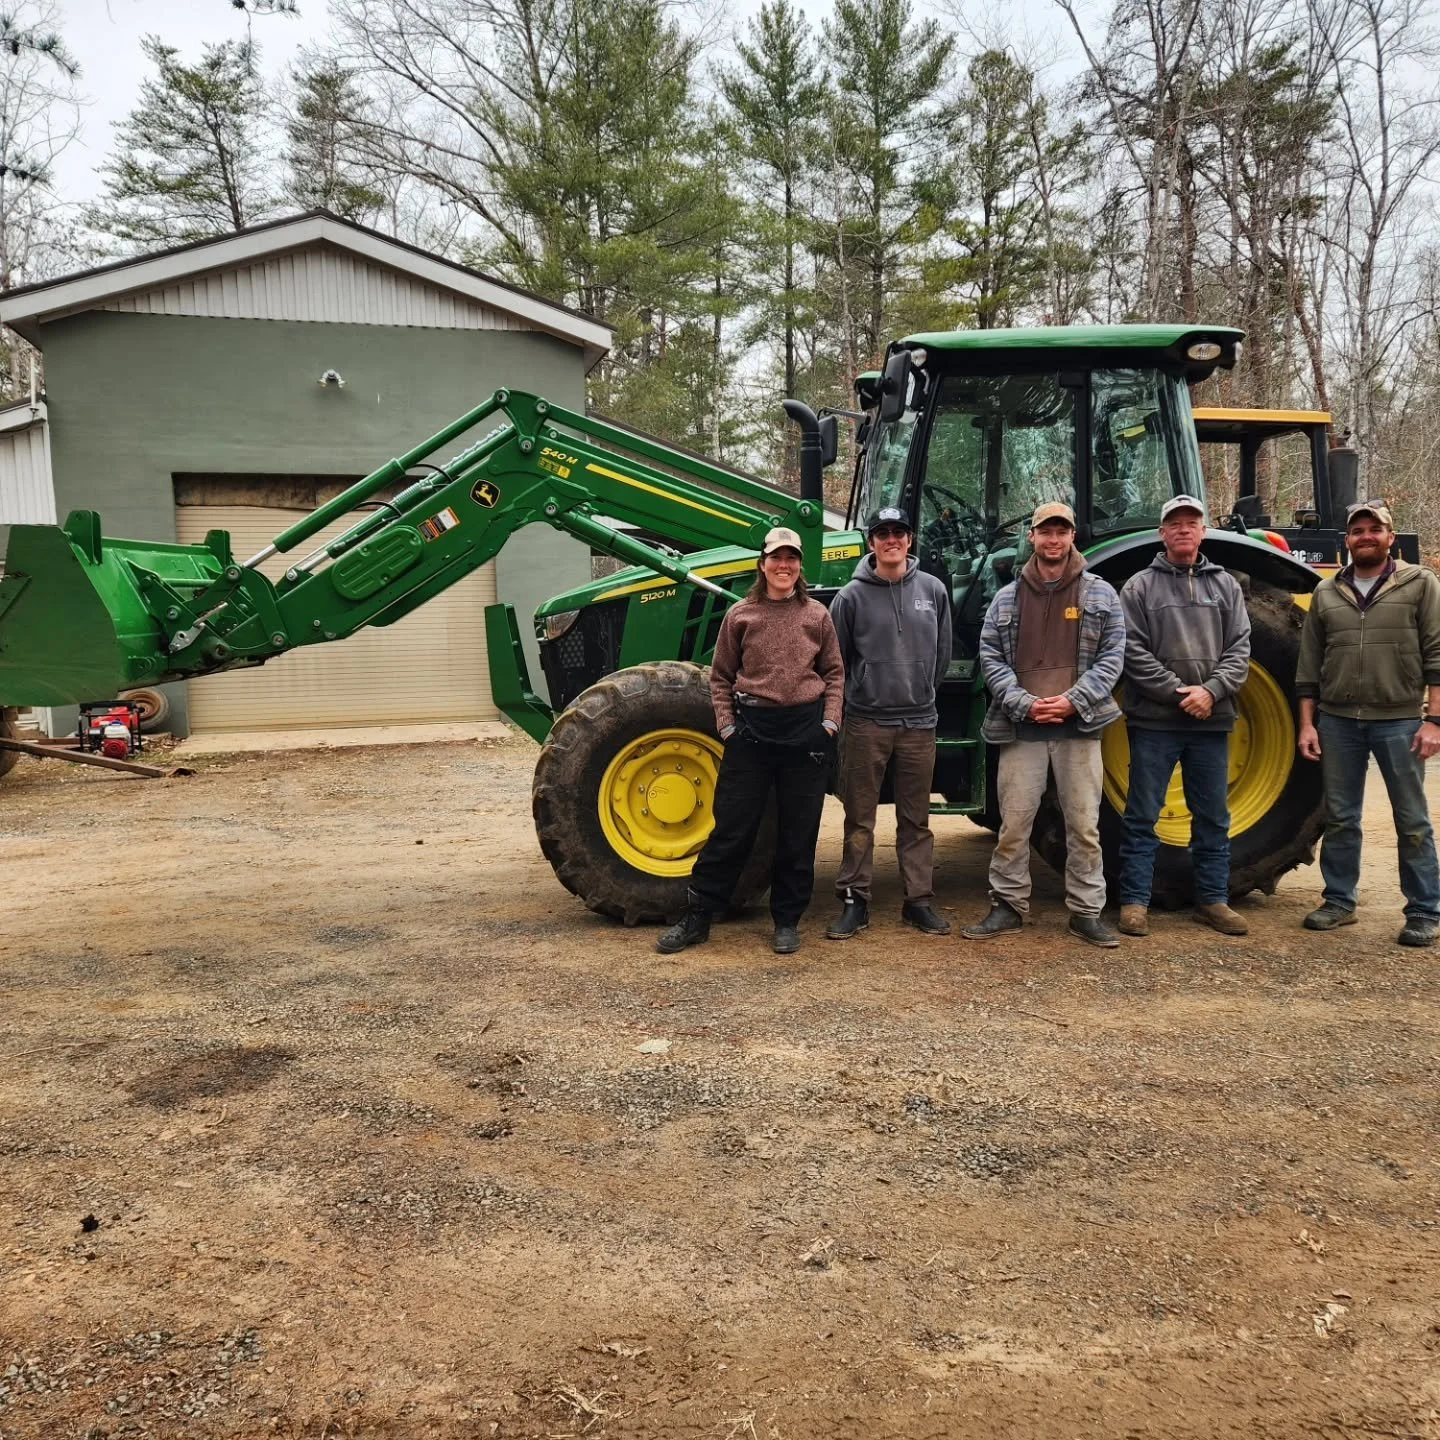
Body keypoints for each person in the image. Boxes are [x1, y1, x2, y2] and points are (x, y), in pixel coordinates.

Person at [657, 527, 844, 956]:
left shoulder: (817, 615)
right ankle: (698, 916)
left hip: (805, 735)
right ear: (762, 564)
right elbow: (721, 677)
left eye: (791, 558)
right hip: (752, 734)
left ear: (800, 566)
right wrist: (728, 728)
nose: (784, 565)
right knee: (732, 830)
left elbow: (834, 674)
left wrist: (829, 724)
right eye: (776, 557)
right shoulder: (740, 615)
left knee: (798, 833)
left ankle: (787, 921)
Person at [961, 502, 1126, 947]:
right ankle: (1008, 905)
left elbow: (1113, 656)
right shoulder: (1006, 598)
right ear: (1032, 537)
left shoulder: (1100, 594)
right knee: (1014, 824)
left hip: (1078, 727)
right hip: (1022, 727)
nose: (1054, 540)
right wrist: (1024, 704)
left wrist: (1072, 701)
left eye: (1061, 532)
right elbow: (991, 657)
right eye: (1045, 532)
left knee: (1084, 826)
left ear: (1072, 536)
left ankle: (1086, 912)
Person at [1295, 500, 1440, 946]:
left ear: (1390, 537)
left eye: (1374, 529)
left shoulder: (1419, 583)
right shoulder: (1327, 591)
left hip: (1399, 720)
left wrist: (1434, 720)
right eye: (1357, 531)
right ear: (1347, 540)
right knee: (1341, 817)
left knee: (1412, 819)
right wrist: (1307, 724)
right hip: (1338, 721)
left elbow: (1437, 654)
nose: (1366, 537)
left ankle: (1423, 909)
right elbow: (1309, 666)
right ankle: (1339, 900)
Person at [1115, 495, 1251, 936]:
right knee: (1142, 814)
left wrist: (1210, 692)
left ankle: (1212, 899)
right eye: (1174, 523)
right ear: (1162, 533)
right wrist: (1179, 694)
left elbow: (1240, 648)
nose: (1183, 529)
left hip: (1210, 720)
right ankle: (1134, 901)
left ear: (1203, 531)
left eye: (1191, 522)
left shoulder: (1226, 586)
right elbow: (1131, 650)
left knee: (1212, 816)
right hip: (1155, 722)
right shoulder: (1139, 587)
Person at [826, 506, 953, 939]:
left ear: (910, 540)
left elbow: (942, 654)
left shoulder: (933, 590)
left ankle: (917, 901)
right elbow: (838, 661)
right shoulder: (850, 597)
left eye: (899, 532)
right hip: (867, 722)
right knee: (859, 816)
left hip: (919, 722)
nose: (892, 539)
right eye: (883, 533)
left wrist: (922, 689)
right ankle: (854, 900)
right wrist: (861, 694)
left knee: (915, 818)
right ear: (872, 542)